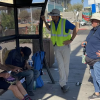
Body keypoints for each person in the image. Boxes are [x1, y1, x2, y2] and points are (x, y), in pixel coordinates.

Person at [41, 9, 78, 93]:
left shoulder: (65, 22)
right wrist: (44, 21)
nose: (51, 17)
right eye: (51, 15)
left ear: (57, 16)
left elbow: (76, 28)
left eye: (53, 15)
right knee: (60, 66)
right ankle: (63, 84)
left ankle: (64, 82)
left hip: (65, 47)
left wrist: (71, 40)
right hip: (56, 47)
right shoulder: (52, 23)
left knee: (65, 65)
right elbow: (49, 29)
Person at [81, 13, 100, 100]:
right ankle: (97, 93)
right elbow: (87, 39)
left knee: (98, 78)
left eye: (93, 20)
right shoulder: (93, 30)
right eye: (91, 20)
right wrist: (84, 42)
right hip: (90, 58)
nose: (91, 22)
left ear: (98, 21)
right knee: (94, 77)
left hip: (97, 59)